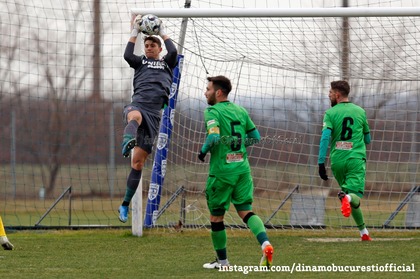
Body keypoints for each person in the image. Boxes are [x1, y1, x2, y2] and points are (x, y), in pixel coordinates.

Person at [198, 76, 274, 269]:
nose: (205, 93)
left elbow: (214, 137)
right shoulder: (240, 110)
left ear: (218, 92)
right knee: (246, 211)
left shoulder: (212, 111)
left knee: (216, 217)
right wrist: (238, 147)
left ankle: (223, 263)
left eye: (208, 89)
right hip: (242, 169)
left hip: (222, 172)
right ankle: (265, 243)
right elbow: (255, 137)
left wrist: (203, 151)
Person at [118, 15, 178, 223]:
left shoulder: (167, 63)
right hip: (139, 105)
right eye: (147, 45)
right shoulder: (140, 62)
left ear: (159, 48)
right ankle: (127, 140)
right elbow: (127, 54)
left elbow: (174, 51)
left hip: (154, 114)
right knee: (133, 116)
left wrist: (161, 31)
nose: (150, 47)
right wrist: (135, 31)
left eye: (153, 45)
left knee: (137, 163)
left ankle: (124, 205)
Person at [318, 80, 372, 241]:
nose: (329, 95)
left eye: (330, 93)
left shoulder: (330, 113)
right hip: (355, 159)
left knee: (350, 195)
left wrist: (321, 162)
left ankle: (364, 232)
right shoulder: (360, 111)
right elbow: (368, 139)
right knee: (352, 196)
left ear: (337, 94)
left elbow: (325, 137)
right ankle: (346, 197)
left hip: (337, 161)